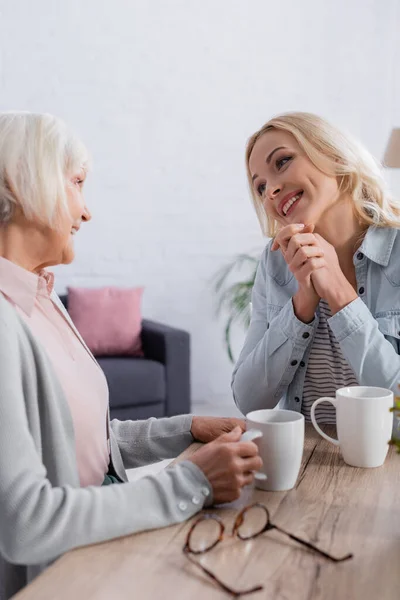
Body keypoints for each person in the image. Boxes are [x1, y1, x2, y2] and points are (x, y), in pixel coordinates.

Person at [0, 112, 262, 600]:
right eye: (77, 183)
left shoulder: (40, 300)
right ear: (21, 180)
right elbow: (27, 523)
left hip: (99, 551)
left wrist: (185, 429)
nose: (86, 212)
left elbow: (84, 445)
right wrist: (190, 481)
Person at [232, 112, 400, 424]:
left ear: (334, 156)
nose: (270, 191)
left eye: (282, 162)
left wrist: (340, 294)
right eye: (260, 187)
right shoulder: (275, 264)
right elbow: (248, 399)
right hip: (307, 466)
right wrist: (301, 305)